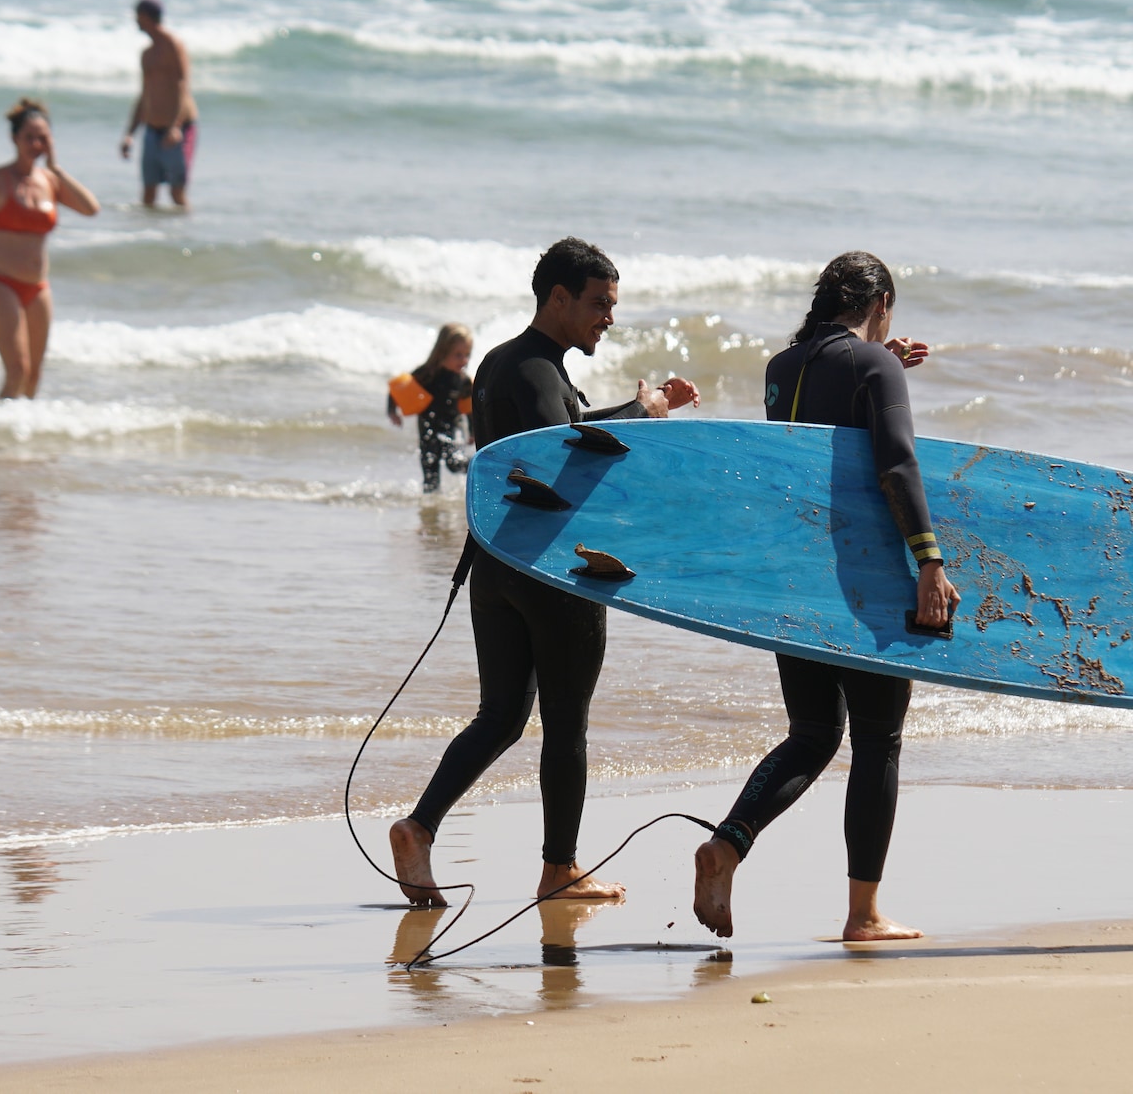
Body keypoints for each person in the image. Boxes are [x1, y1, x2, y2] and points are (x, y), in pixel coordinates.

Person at [390, 237, 701, 907]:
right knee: (565, 723)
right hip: (552, 569)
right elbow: (564, 461)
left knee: (502, 715)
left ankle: (419, 827)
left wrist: (642, 410)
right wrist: (640, 417)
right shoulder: (537, 370)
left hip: (496, 565)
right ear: (558, 298)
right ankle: (559, 869)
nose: (608, 318)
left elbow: (566, 430)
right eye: (598, 303)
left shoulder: (507, 364)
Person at [693, 251, 959, 942]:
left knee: (813, 732)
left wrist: (882, 367)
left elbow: (817, 446)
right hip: (862, 576)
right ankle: (862, 914)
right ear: (880, 304)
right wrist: (929, 560)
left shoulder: (782, 368)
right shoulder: (875, 367)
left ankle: (727, 844)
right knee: (878, 738)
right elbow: (895, 463)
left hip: (794, 577)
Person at [0, 98, 100, 399]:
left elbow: (91, 208)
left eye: (43, 138)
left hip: (37, 286)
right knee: (17, 370)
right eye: (29, 137)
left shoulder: (50, 181)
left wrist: (57, 167)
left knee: (34, 375)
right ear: (14, 138)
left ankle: (19, 429)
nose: (36, 144)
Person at [120, 0, 199, 207]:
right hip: (152, 130)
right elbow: (144, 95)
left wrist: (175, 126)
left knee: (177, 193)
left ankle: (187, 228)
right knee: (148, 194)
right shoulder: (146, 54)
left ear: (146, 16)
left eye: (137, 16)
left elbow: (182, 86)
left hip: (178, 130)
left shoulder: (173, 45)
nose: (135, 21)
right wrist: (129, 133)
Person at [388, 322, 475, 493]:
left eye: (467, 355)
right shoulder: (426, 374)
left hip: (453, 429)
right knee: (430, 478)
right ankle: (431, 507)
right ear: (442, 352)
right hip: (428, 431)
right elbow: (397, 390)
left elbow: (469, 409)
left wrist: (472, 431)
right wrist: (392, 411)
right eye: (458, 355)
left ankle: (480, 468)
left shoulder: (463, 381)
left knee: (455, 464)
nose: (464, 360)